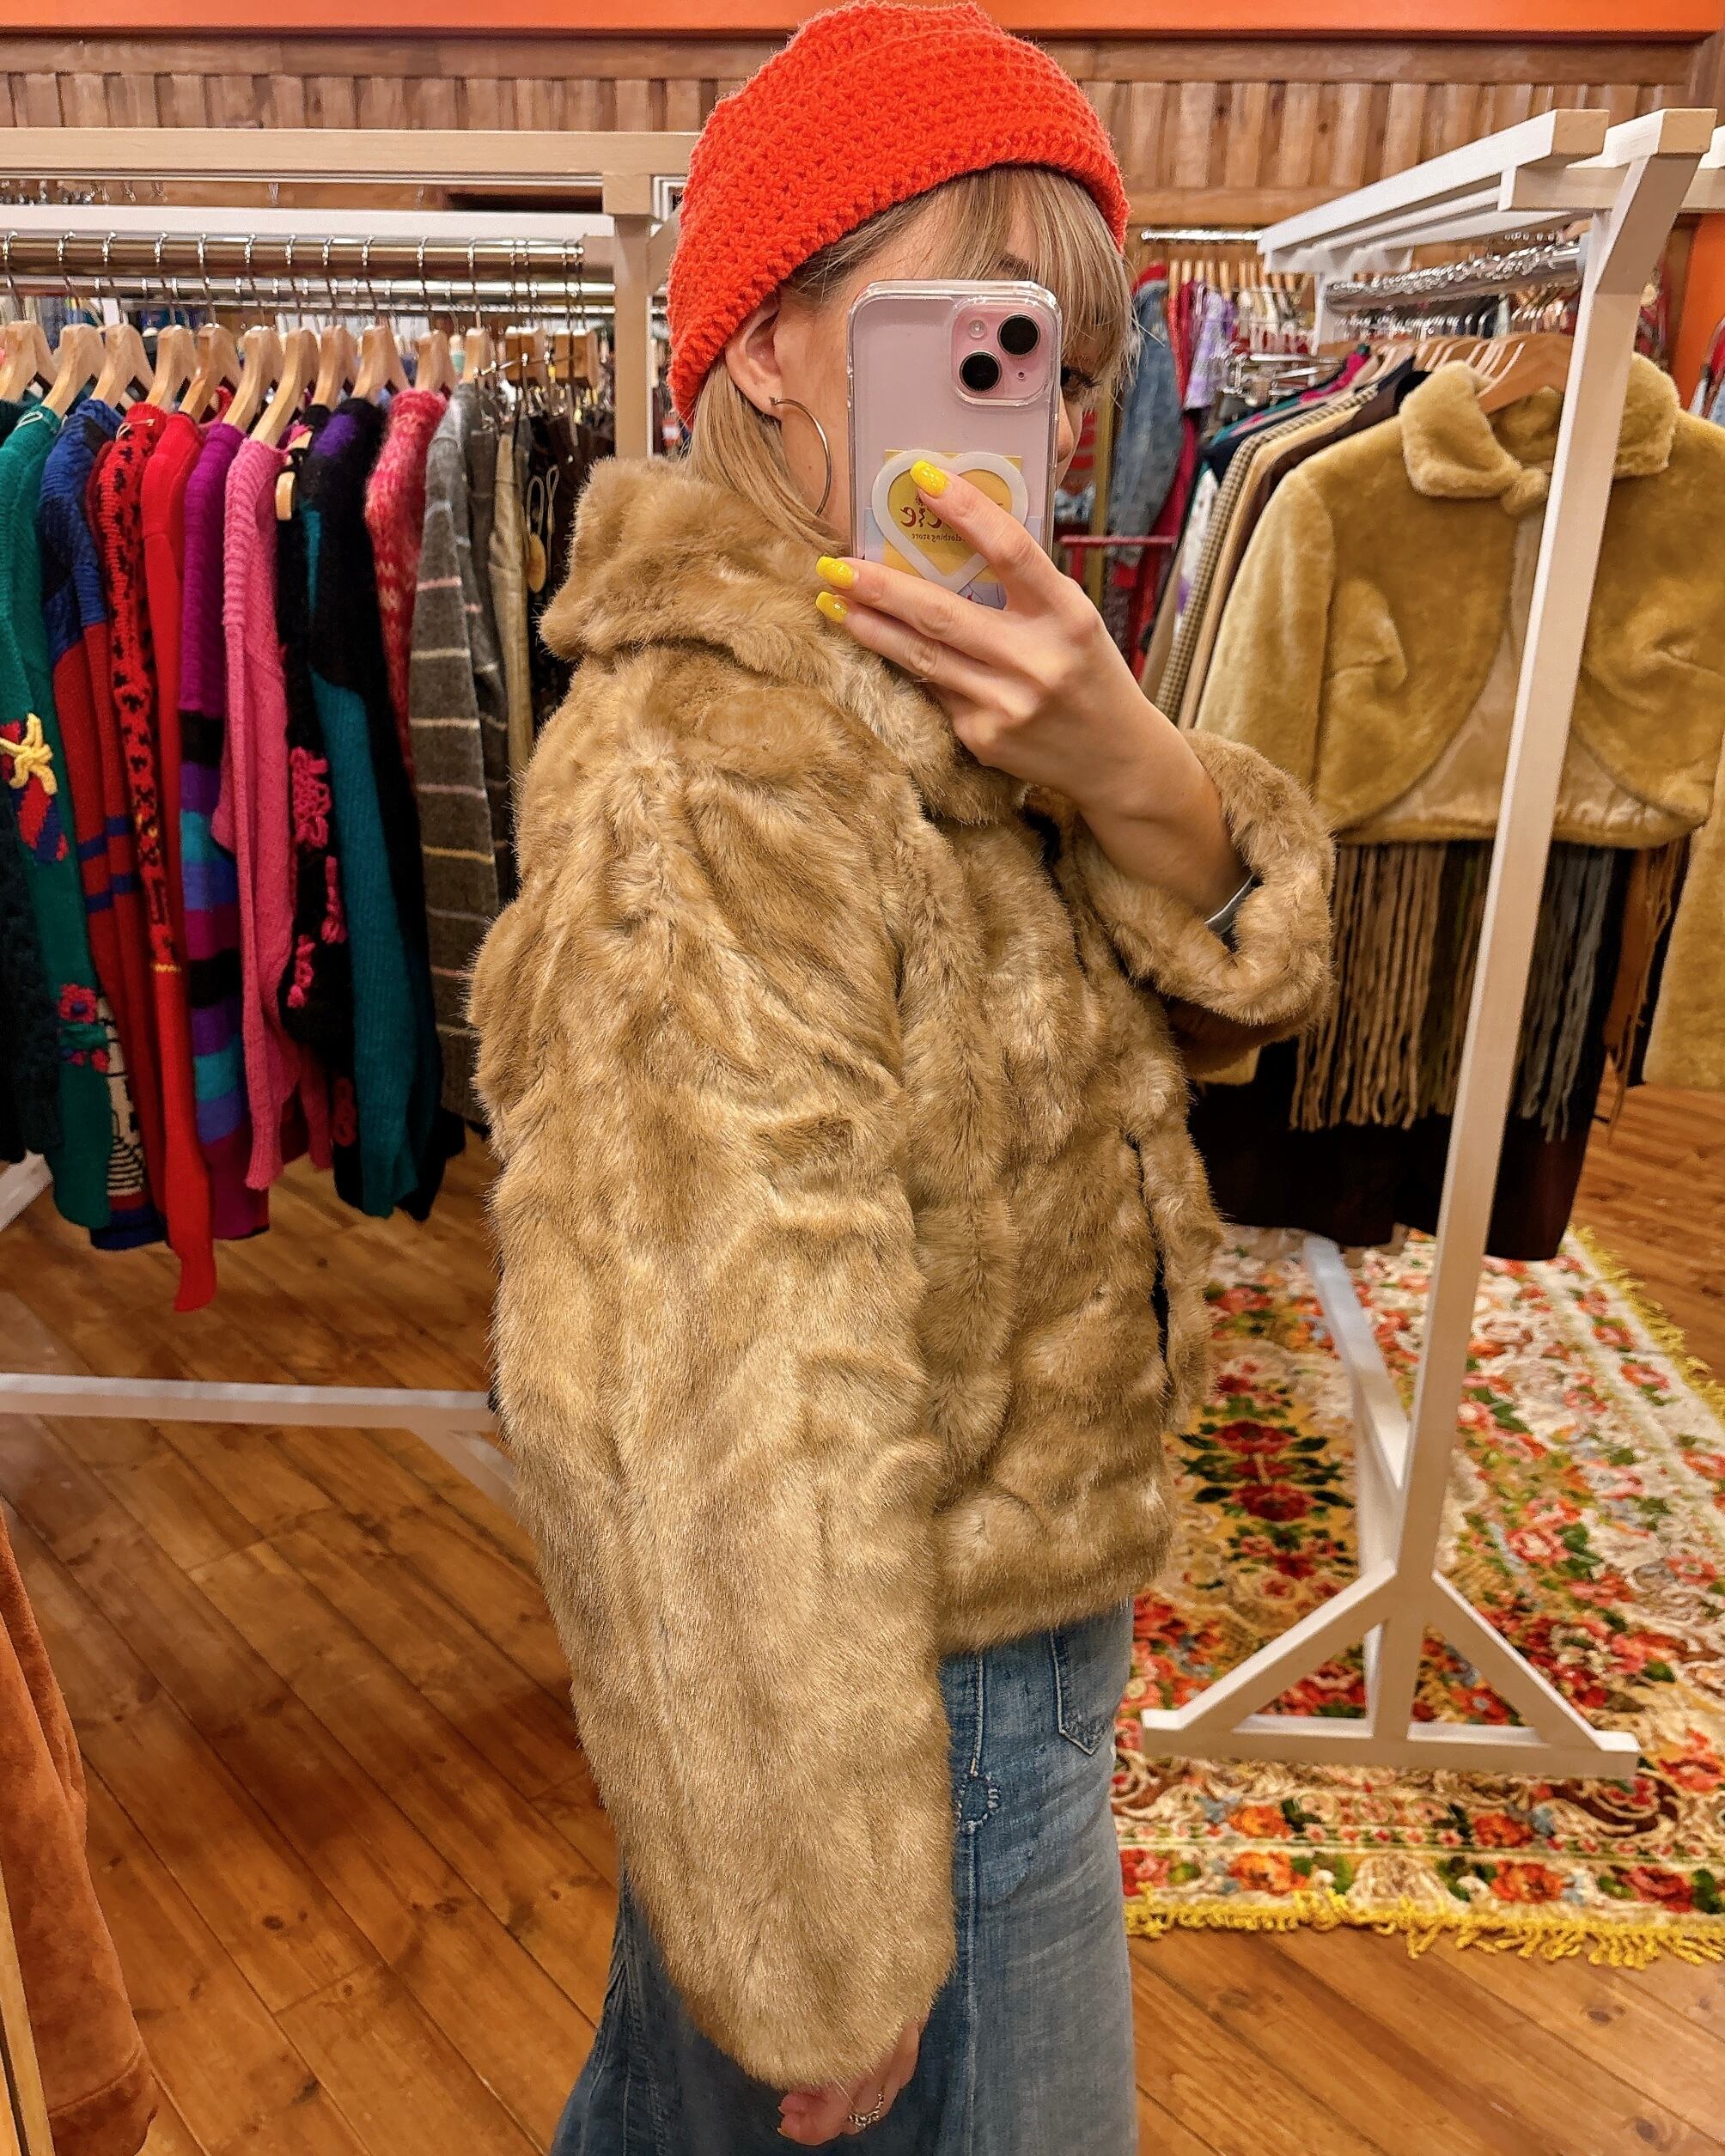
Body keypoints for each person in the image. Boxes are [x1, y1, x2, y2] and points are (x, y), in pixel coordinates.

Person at [469, 4, 1333, 2149]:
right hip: (899, 1721)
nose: (1027, 403)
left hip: (991, 1670)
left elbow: (1208, 1006)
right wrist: (810, 1921)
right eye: (966, 324)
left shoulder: (956, 672)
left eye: (1057, 353)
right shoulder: (716, 760)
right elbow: (697, 1384)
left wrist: (1127, 763)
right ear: (771, 343)